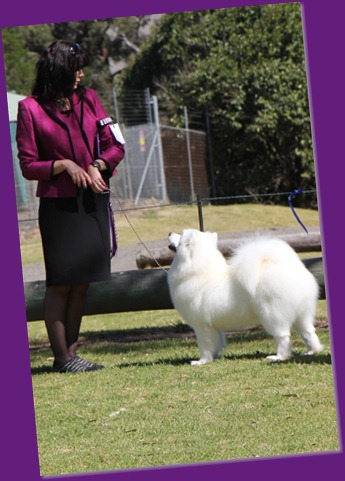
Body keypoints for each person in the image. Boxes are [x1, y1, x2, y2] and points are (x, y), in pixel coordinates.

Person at [16, 40, 125, 373]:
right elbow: (27, 164)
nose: (81, 74)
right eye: (75, 68)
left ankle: (72, 356)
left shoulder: (89, 98)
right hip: (58, 206)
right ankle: (62, 358)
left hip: (91, 200)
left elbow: (115, 146)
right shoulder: (30, 108)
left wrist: (97, 164)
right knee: (61, 282)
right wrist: (62, 165)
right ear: (58, 69)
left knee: (82, 282)